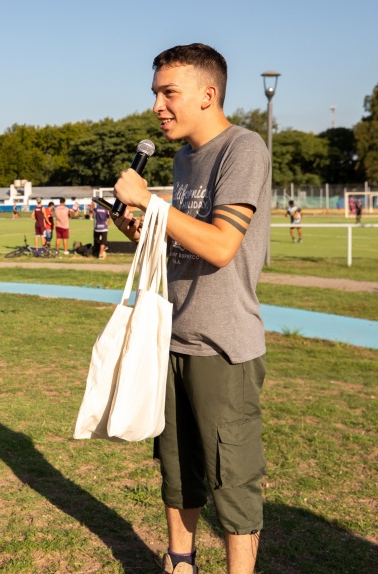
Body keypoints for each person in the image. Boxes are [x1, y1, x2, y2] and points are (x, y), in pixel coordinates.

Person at [112, 43, 269, 574]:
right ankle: (180, 563)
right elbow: (187, 245)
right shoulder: (183, 159)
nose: (158, 104)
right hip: (172, 336)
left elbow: (223, 247)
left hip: (223, 345)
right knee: (178, 469)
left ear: (209, 94)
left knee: (232, 474)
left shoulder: (242, 149)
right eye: (155, 93)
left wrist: (152, 203)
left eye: (168, 92)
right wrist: (144, 230)